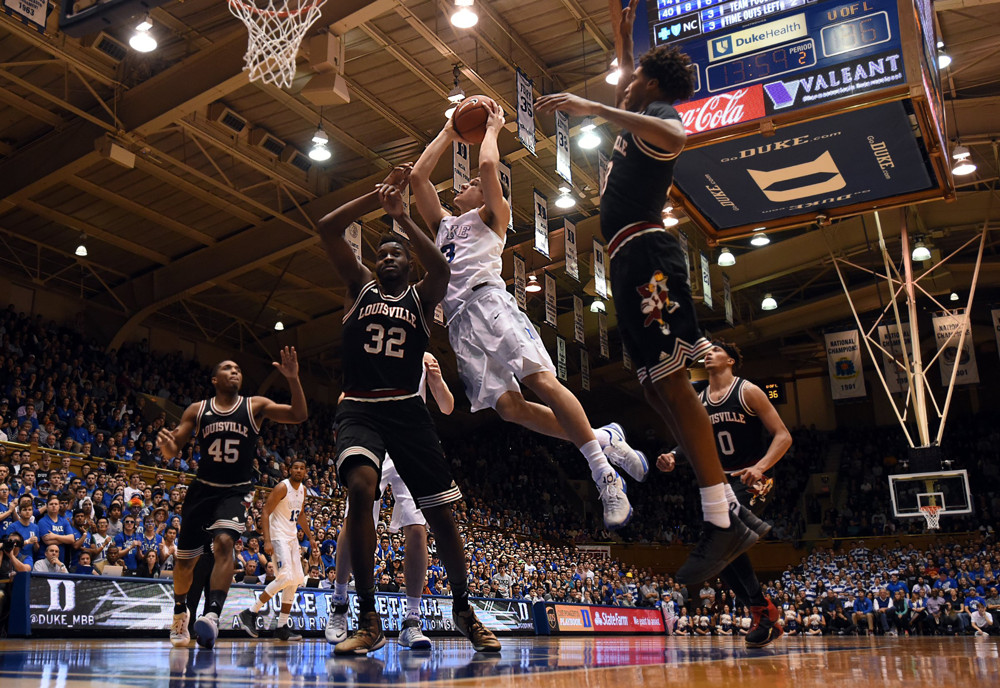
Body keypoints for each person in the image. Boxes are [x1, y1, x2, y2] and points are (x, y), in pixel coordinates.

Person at [535, 0, 757, 585]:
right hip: (628, 260)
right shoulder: (644, 99)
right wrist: (620, 33)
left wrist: (592, 106)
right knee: (657, 391)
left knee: (675, 385)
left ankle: (721, 516)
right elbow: (637, 79)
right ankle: (728, 510)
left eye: (633, 77)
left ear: (652, 86)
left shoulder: (659, 117)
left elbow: (674, 130)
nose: (624, 83)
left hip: (650, 256)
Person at [411, 94, 646, 531]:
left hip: (489, 304)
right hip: (460, 324)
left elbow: (485, 169)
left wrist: (494, 128)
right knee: (509, 409)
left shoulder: (493, 215)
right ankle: (605, 438)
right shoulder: (443, 225)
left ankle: (603, 474)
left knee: (541, 381)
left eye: (473, 185)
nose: (463, 184)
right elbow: (419, 179)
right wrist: (448, 131)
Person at [316, 167, 499, 654]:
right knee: (360, 487)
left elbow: (442, 269)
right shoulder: (359, 288)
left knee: (440, 516)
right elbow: (327, 228)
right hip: (359, 410)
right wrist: (373, 202)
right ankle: (368, 616)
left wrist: (403, 221)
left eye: (396, 252)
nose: (388, 257)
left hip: (409, 413)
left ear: (408, 261)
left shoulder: (422, 296)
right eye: (382, 253)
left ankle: (462, 608)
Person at [156, 346, 308, 649]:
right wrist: (168, 448)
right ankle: (179, 614)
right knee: (184, 564)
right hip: (203, 490)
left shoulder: (254, 406)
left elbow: (299, 414)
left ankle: (212, 616)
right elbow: (176, 445)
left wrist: (293, 379)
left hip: (236, 490)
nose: (234, 371)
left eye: (237, 368)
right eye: (227, 368)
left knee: (225, 542)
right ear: (214, 379)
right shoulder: (198, 410)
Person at [657, 341, 791, 647]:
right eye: (708, 351)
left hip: (752, 478)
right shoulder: (700, 398)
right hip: (719, 482)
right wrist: (674, 457)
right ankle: (762, 611)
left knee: (726, 533)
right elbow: (691, 439)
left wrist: (761, 467)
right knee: (721, 556)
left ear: (730, 360)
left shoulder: (748, 391)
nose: (709, 353)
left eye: (716, 350)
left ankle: (761, 609)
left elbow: (783, 435)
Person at [325, 351, 452, 651]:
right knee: (354, 520)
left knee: (417, 528)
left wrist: (436, 378)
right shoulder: (371, 344)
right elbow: (345, 397)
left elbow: (447, 407)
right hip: (372, 438)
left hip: (409, 443)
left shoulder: (424, 355)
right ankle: (340, 602)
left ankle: (412, 620)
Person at [237, 458, 316, 642]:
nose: (298, 470)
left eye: (302, 468)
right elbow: (265, 512)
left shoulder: (303, 490)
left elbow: (301, 515)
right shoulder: (282, 487)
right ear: (289, 470)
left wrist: (311, 537)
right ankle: (250, 612)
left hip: (291, 537)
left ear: (305, 472)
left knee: (296, 580)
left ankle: (281, 626)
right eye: (295, 467)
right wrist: (267, 540)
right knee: (285, 577)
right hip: (278, 536)